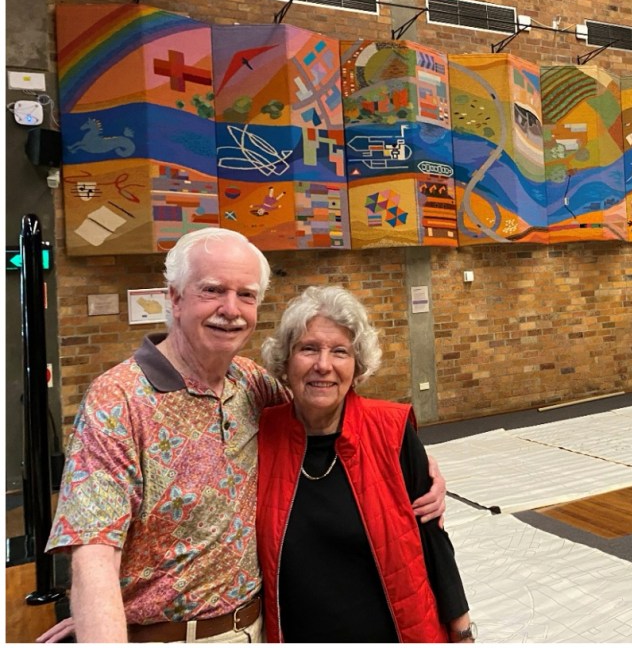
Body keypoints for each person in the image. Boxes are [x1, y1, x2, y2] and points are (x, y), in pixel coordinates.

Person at [43, 228, 447, 643]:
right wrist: (100, 620)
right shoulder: (119, 398)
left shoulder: (253, 385)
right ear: (175, 298)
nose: (231, 309)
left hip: (260, 627)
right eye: (213, 290)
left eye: (247, 295)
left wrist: (418, 465)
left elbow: (326, 414)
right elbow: (94, 552)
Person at [257, 285, 475, 642]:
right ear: (286, 361)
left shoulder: (391, 429)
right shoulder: (262, 433)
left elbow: (433, 537)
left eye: (339, 351)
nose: (323, 365)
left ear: (357, 366)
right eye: (308, 348)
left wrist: (462, 629)